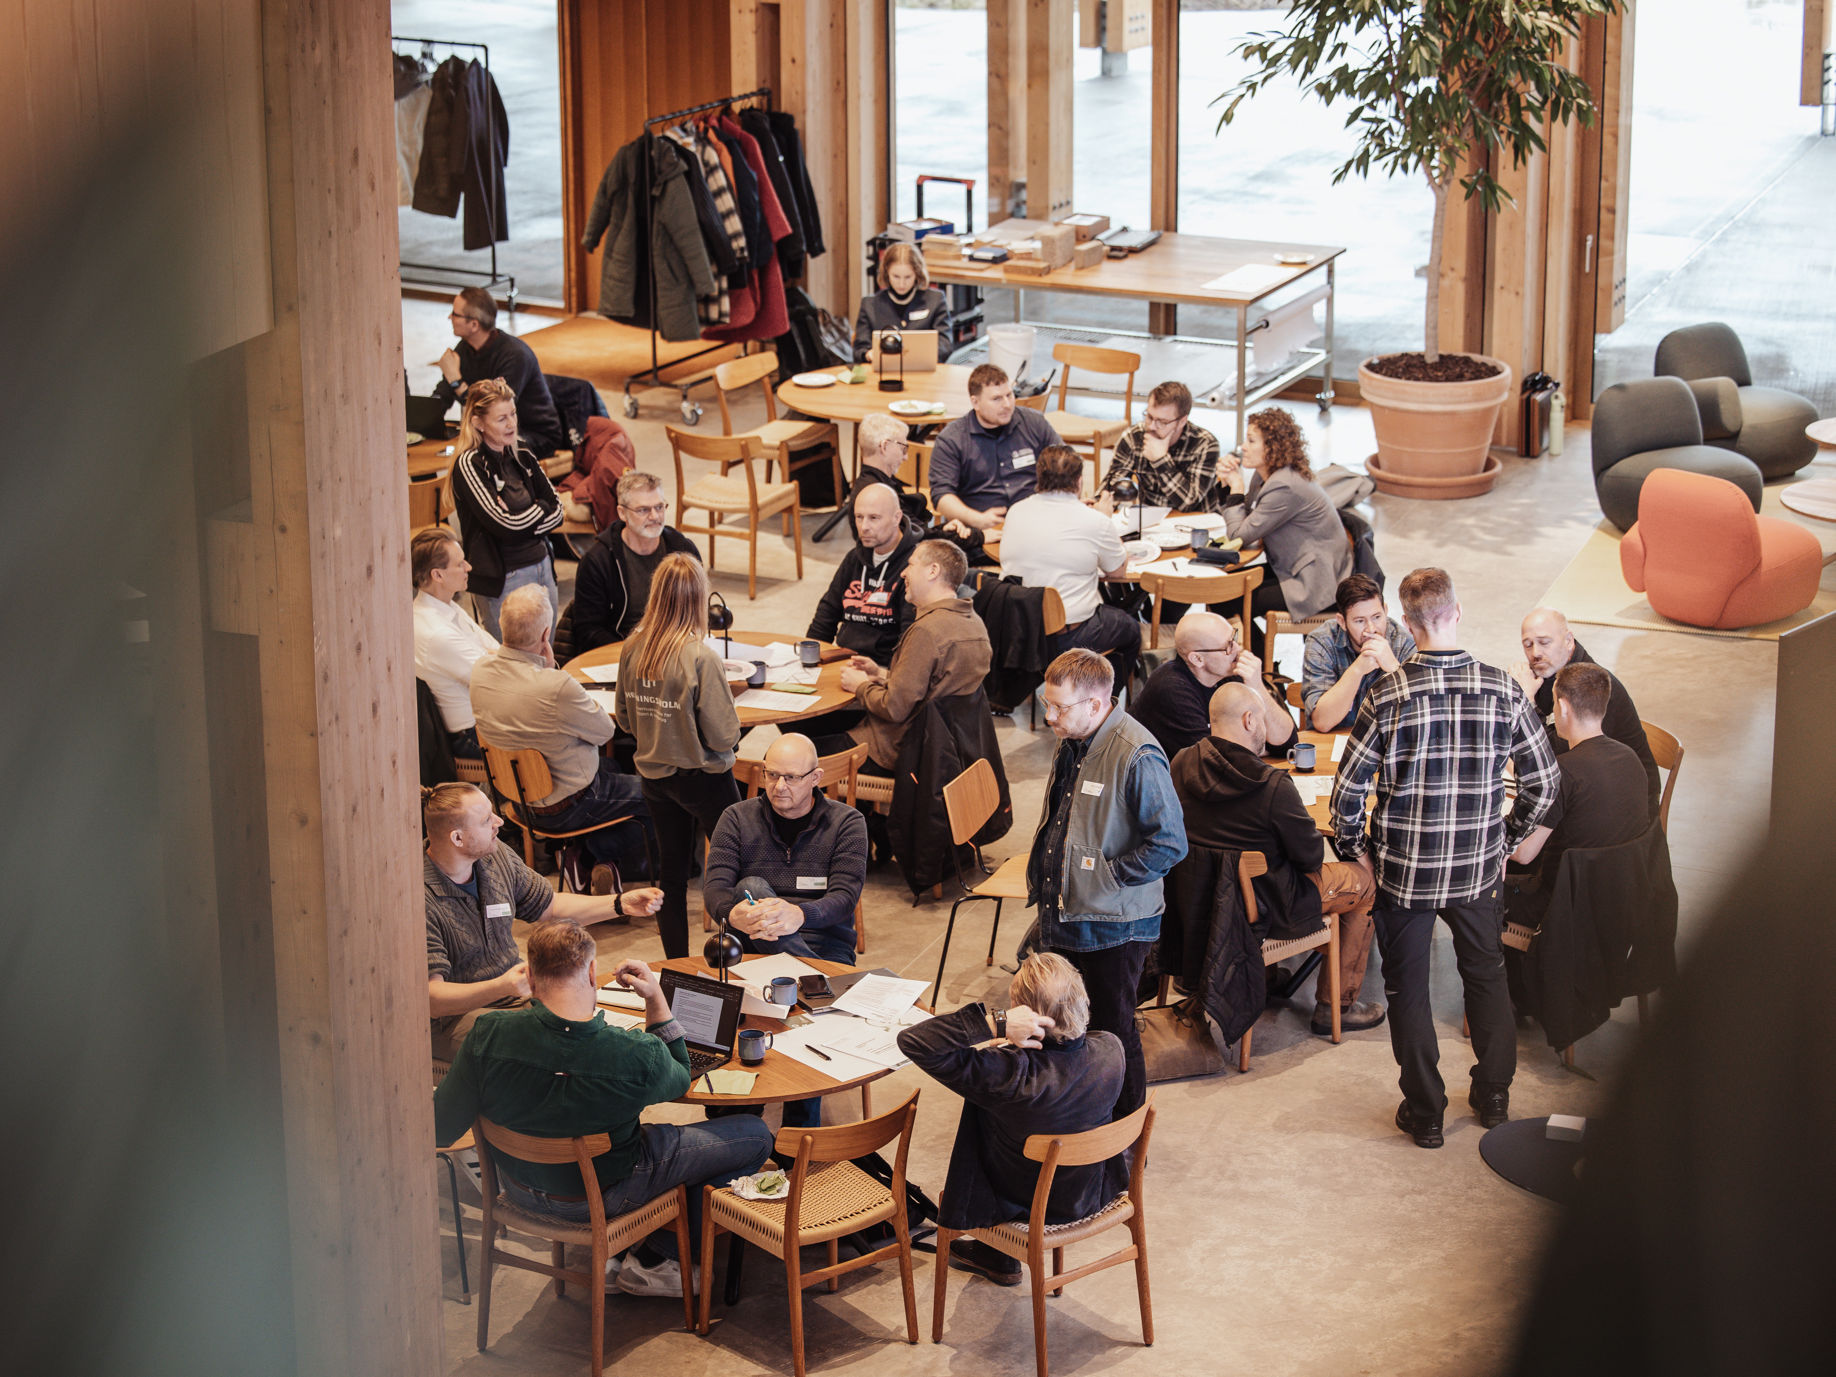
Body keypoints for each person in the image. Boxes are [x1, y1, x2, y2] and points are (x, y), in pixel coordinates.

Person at [1328, 568, 1558, 1149]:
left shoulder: (1387, 694)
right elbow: (1545, 782)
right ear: (1457, 612)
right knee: (1486, 976)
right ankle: (1494, 1095)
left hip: (1405, 870)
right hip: (1478, 869)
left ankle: (1426, 1111)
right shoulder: (1504, 689)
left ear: (1407, 624)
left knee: (1408, 989)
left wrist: (1358, 852)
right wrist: (1505, 841)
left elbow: (1347, 794)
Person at [433, 917, 774, 1298]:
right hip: (602, 1196)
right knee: (755, 1135)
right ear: (593, 973)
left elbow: (440, 1128)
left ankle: (626, 1252)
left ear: (530, 976)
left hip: (517, 1189)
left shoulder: (486, 1033)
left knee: (654, 1139)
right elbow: (680, 1074)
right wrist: (656, 999)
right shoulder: (632, 1053)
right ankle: (659, 1259)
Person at [897, 952, 1127, 1287]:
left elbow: (913, 1041)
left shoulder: (1007, 1074)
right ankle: (996, 1256)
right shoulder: (1111, 1049)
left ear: (1027, 1016)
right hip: (1087, 1191)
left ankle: (998, 1251)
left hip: (1021, 1203)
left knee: (987, 1126)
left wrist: (997, 1023)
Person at [1028, 649, 1188, 1119]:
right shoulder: (1074, 740)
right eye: (1047, 704)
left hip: (1113, 923)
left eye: (1060, 707)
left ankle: (1127, 1137)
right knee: (1066, 1024)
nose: (1050, 716)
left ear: (1096, 705)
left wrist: (1107, 876)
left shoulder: (1136, 754)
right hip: (1068, 911)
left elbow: (1170, 843)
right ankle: (1084, 1120)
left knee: (1113, 1032)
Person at [1173, 682, 1385, 1034]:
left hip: (1204, 899)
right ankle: (1338, 1005)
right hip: (1270, 905)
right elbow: (1310, 858)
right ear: (1249, 720)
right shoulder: (1270, 785)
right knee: (1366, 884)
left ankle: (1265, 977)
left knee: (1259, 868)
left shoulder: (1181, 762)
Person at [422, 783, 662, 1060]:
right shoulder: (418, 898)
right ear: (458, 838)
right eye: (487, 819)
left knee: (592, 1029)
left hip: (516, 997)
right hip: (455, 1018)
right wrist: (501, 986)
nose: (499, 822)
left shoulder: (494, 855)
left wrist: (620, 904)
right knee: (548, 1049)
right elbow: (432, 999)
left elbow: (549, 906)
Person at [470, 585, 651, 888]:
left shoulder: (480, 671)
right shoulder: (556, 686)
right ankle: (597, 857)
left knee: (613, 768)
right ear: (545, 635)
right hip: (569, 805)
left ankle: (575, 857)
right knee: (659, 794)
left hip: (516, 798)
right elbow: (606, 731)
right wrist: (551, 668)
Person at [611, 555, 741, 960]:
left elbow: (624, 719)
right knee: (738, 868)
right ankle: (742, 960)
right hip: (705, 781)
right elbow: (724, 735)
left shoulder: (633, 647)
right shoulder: (700, 657)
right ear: (699, 599)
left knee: (672, 876)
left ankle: (677, 967)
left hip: (655, 779)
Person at [704, 733, 868, 964]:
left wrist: (800, 914)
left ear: (815, 777)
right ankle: (812, 975)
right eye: (772, 775)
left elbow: (845, 897)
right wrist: (730, 915)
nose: (779, 786)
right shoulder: (736, 818)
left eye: (791, 777)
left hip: (824, 945)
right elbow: (715, 889)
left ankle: (806, 969)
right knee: (751, 887)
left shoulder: (846, 822)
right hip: (752, 943)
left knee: (751, 886)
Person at [838, 538, 993, 774]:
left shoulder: (927, 631)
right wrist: (881, 675)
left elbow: (895, 708)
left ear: (933, 571)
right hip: (943, 751)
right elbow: (933, 690)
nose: (903, 573)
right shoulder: (975, 624)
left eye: (910, 565)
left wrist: (860, 686)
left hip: (894, 752)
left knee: (796, 756)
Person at [996, 444, 1141, 684]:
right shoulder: (1095, 521)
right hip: (1068, 634)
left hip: (1019, 627)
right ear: (1079, 481)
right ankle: (1103, 699)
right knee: (1130, 628)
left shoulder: (1016, 511)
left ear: (1039, 476)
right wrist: (1105, 519)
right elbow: (1117, 571)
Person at [1218, 407, 1352, 652]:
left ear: (1272, 447)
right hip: (1293, 567)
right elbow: (1247, 522)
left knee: (1224, 599)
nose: (1242, 447)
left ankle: (1258, 667)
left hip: (1314, 583)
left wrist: (1235, 487)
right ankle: (1257, 662)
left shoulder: (1284, 486)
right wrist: (1226, 484)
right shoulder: (1268, 476)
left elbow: (1238, 536)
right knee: (1223, 590)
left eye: (1251, 441)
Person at [1509, 607, 1661, 819]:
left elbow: (1552, 760)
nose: (1535, 653)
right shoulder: (1548, 673)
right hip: (1591, 782)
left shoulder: (1589, 686)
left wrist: (1527, 702)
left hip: (1626, 805)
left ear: (1568, 640)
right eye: (1528, 645)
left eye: (1544, 642)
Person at [1508, 663, 1654, 880]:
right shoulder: (1630, 757)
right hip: (1624, 887)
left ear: (1563, 707)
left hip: (1565, 893)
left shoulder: (1564, 773)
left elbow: (1522, 854)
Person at [449, 379, 563, 642]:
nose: (511, 424)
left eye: (513, 414)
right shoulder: (470, 464)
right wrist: (540, 507)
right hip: (504, 578)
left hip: (543, 566)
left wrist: (525, 517)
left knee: (546, 651)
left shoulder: (522, 452)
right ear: (478, 422)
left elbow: (557, 511)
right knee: (512, 657)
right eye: (501, 419)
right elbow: (504, 526)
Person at [1129, 610, 1295, 758]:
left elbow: (1287, 745)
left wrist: (1257, 686)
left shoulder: (1229, 674)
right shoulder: (1171, 689)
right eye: (1227, 646)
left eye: (1234, 638)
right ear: (1197, 659)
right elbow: (1214, 761)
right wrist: (1259, 746)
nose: (1237, 649)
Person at [572, 471, 702, 653]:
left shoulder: (683, 549)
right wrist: (633, 653)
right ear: (622, 513)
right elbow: (588, 631)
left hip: (677, 649)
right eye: (643, 510)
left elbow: (699, 611)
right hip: (621, 653)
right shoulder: (598, 561)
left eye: (659, 507)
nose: (655, 516)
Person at [927, 363, 1064, 534]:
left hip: (1036, 521)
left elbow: (1066, 464)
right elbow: (942, 496)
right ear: (975, 402)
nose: (1007, 404)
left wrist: (1069, 501)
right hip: (981, 530)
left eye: (1009, 395)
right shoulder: (952, 439)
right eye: (997, 399)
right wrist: (977, 519)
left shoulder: (1034, 423)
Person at [432, 285, 564, 458]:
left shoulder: (515, 355)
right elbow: (444, 394)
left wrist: (457, 382)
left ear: (474, 324)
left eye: (455, 314)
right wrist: (424, 419)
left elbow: (493, 410)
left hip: (534, 435)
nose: (450, 317)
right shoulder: (465, 348)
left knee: (478, 452)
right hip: (494, 430)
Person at [807, 482, 919, 668]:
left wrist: (885, 677)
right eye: (859, 517)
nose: (864, 527)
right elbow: (827, 612)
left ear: (896, 518)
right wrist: (808, 659)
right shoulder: (854, 558)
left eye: (874, 518)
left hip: (883, 669)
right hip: (844, 660)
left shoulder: (914, 565)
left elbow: (910, 639)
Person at [412, 527, 498, 758]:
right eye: (460, 564)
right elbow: (497, 678)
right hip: (473, 736)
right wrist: (492, 657)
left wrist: (493, 657)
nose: (468, 567)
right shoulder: (436, 632)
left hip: (485, 721)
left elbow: (497, 651)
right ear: (438, 575)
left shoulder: (447, 606)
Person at [1301, 573, 1417, 732]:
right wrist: (1357, 669)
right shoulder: (1322, 642)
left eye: (1377, 617)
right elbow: (1322, 722)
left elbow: (1418, 717)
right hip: (1333, 740)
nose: (1371, 629)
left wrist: (1394, 669)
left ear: (1385, 610)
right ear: (1342, 622)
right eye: (1360, 621)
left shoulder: (1404, 642)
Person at [1100, 380, 1229, 513]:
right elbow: (1113, 484)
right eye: (1149, 417)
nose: (1151, 426)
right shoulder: (1133, 437)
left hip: (1196, 520)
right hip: (1151, 519)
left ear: (1182, 421)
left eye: (1162, 422)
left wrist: (1160, 460)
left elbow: (1189, 503)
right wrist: (1100, 501)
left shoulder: (1205, 444)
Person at [852, 241, 953, 363]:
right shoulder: (869, 304)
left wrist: (924, 354)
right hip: (884, 369)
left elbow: (946, 344)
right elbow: (859, 350)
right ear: (886, 272)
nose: (901, 284)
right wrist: (868, 354)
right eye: (896, 276)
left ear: (917, 273)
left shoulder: (935, 300)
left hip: (923, 368)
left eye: (908, 277)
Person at [843, 411, 935, 533]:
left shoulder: (873, 484)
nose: (906, 457)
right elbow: (920, 534)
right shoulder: (880, 496)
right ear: (885, 446)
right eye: (903, 449)